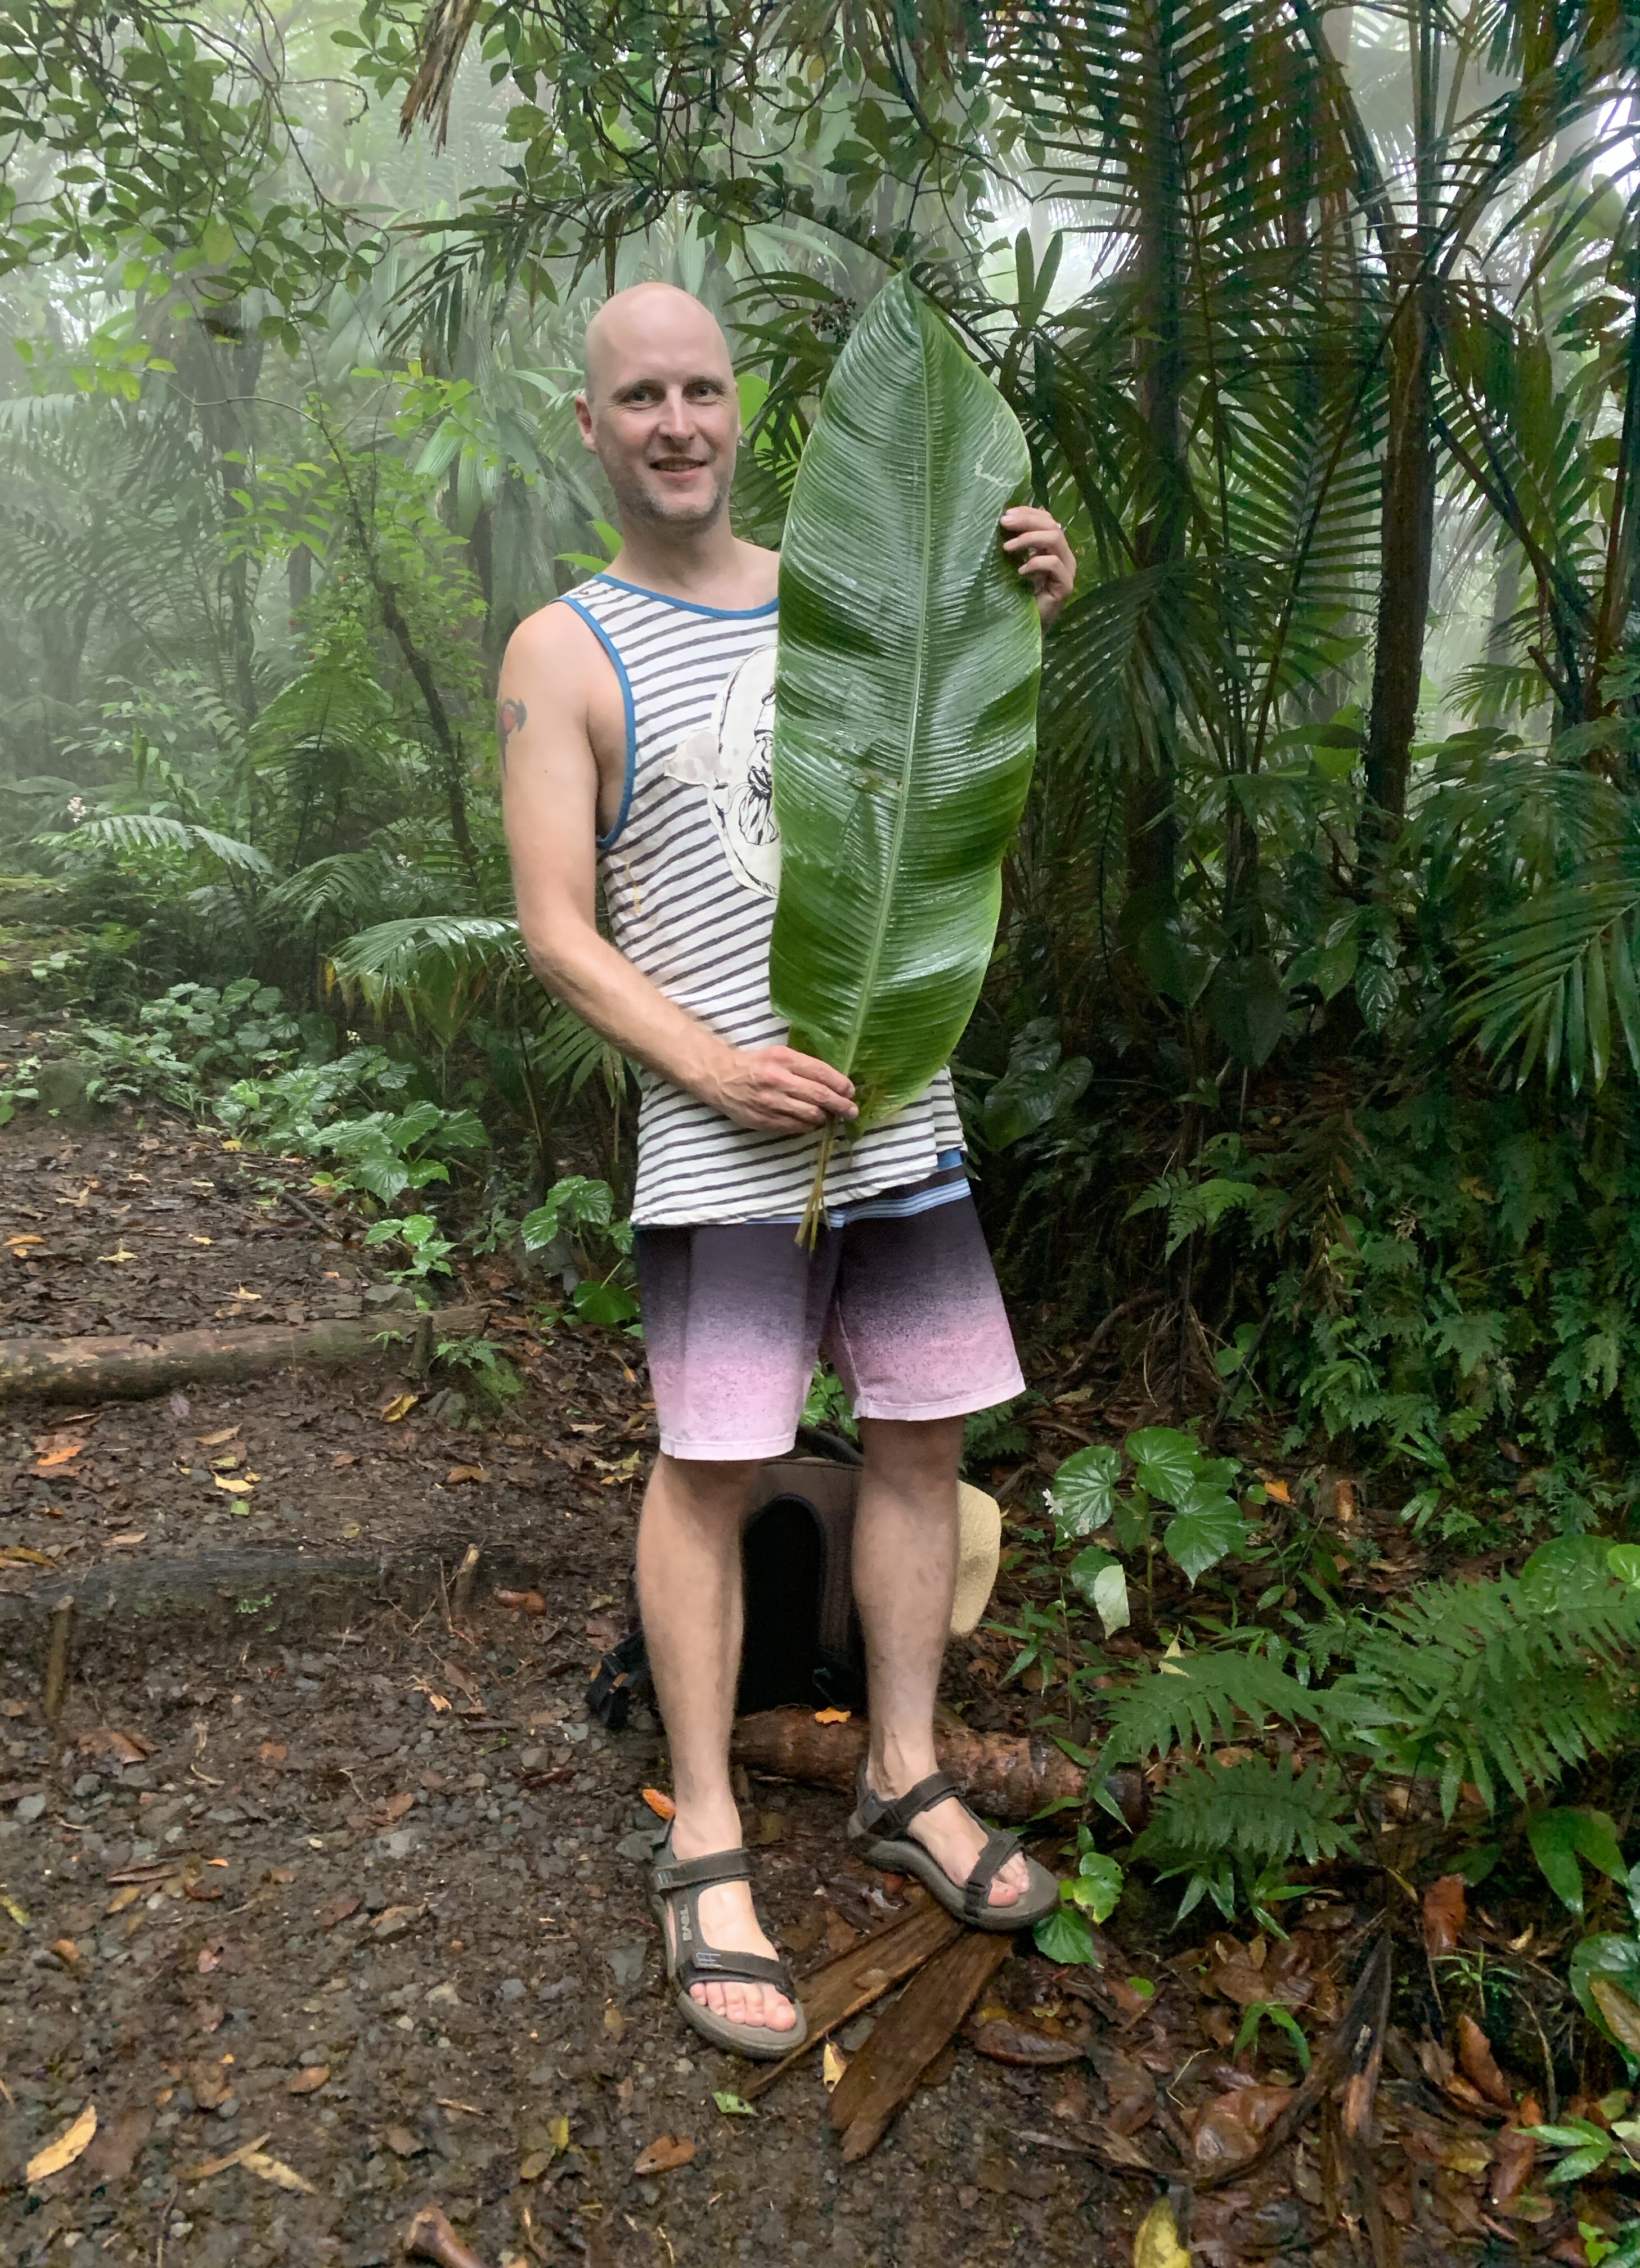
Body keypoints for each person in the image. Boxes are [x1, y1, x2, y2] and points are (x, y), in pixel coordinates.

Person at [498, 281, 1077, 2060]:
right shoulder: (562, 650)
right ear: (592, 426)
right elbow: (555, 928)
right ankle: (708, 1832)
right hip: (717, 1143)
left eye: (702, 389)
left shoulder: (853, 596)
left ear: (739, 408)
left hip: (901, 1109)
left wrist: (1016, 614)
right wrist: (713, 1066)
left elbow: (947, 772)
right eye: (640, 397)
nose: (676, 422)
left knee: (921, 1442)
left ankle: (904, 1773)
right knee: (712, 1468)